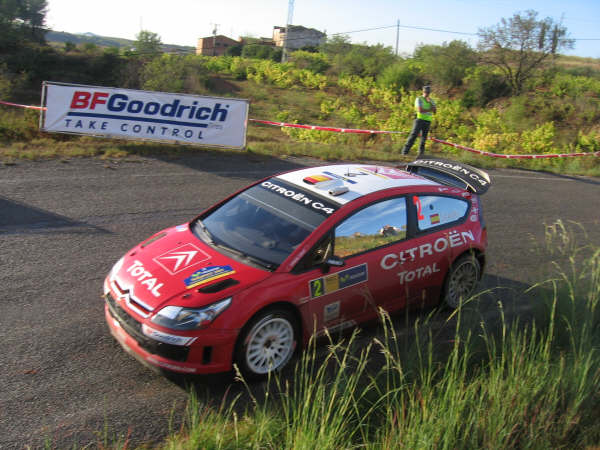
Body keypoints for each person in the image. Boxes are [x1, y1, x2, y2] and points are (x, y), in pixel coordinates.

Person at [401, 85, 436, 157]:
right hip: (419, 120)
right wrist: (430, 109)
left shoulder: (431, 100)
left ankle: (421, 154)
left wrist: (430, 103)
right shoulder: (419, 99)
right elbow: (420, 110)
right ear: (423, 91)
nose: (427, 93)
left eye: (428, 92)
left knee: (424, 138)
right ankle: (404, 152)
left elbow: (435, 111)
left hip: (427, 121)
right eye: (426, 92)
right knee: (413, 135)